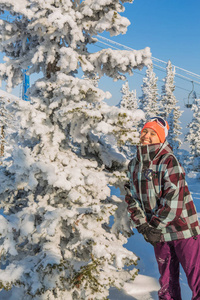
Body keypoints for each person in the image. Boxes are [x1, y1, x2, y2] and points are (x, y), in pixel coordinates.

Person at [124, 116, 200, 300]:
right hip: (157, 232)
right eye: (145, 132)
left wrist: (153, 227)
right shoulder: (134, 165)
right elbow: (131, 198)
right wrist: (143, 226)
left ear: (162, 138)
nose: (147, 136)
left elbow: (174, 200)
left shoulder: (168, 161)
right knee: (166, 281)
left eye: (153, 133)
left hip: (183, 229)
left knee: (196, 278)